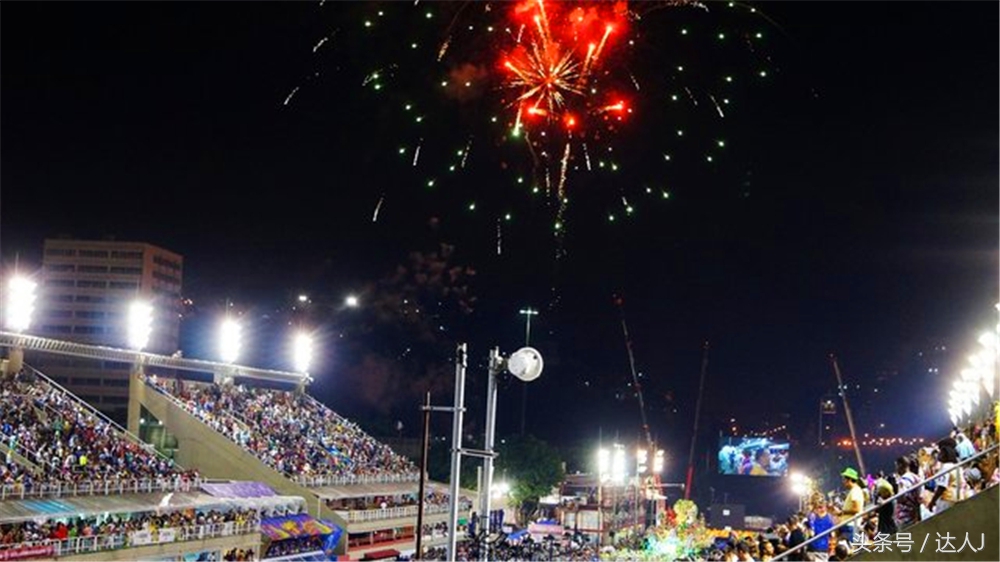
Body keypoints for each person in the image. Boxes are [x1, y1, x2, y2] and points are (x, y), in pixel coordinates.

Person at [928, 439, 960, 514]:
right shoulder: (955, 466)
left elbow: (941, 487)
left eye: (941, 452)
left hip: (946, 499)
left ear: (945, 455)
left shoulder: (946, 467)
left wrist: (932, 501)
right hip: (955, 497)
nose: (939, 454)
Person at [836, 468, 865, 546]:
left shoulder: (855, 491)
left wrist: (842, 512)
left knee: (852, 553)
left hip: (851, 526)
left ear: (849, 479)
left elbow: (856, 509)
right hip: (849, 526)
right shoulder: (854, 490)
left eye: (844, 479)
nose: (843, 482)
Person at [893, 456, 921, 528]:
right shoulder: (915, 477)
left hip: (905, 516)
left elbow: (901, 497)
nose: (896, 469)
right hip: (915, 514)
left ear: (900, 465)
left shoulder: (904, 480)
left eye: (896, 466)